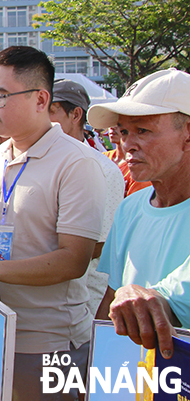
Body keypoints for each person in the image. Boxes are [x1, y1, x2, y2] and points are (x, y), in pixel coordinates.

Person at [0, 46, 106, 400]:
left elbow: (73, 260)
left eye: (0, 97)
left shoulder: (77, 163)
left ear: (41, 99)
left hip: (48, 342)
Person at [88, 68, 190, 358]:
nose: (127, 144)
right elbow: (112, 300)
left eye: (143, 131)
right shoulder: (130, 207)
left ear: (188, 133)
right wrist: (95, 372)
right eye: (123, 131)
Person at [48, 78, 125, 317]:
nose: (42, 119)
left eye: (51, 111)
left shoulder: (104, 170)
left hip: (82, 305)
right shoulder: (34, 164)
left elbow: (98, 245)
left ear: (76, 114)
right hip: (41, 300)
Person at [104, 125, 151, 196]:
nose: (112, 127)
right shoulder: (102, 157)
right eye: (110, 124)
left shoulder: (138, 166)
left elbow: (134, 203)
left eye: (118, 125)